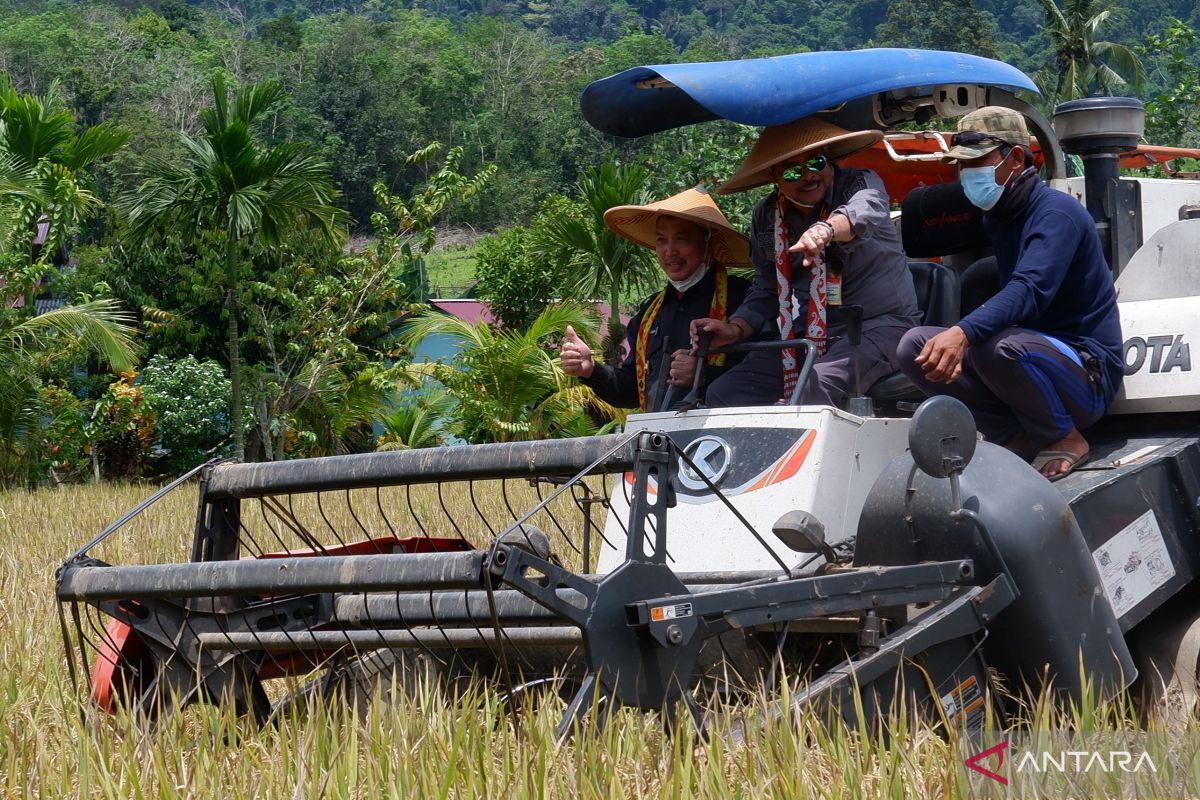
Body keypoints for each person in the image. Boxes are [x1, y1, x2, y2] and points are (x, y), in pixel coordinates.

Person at [896, 106, 1124, 481]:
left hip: (1086, 373)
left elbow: (1030, 290)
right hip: (1026, 358)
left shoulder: (1056, 213)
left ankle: (1064, 437)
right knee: (914, 348)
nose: (966, 175)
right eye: (961, 167)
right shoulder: (998, 217)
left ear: (1015, 158)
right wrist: (958, 337)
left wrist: (963, 332)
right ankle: (1016, 437)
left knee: (992, 345)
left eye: (976, 163)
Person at [690, 117, 920, 407]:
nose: (808, 176)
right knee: (726, 392)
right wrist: (735, 328)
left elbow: (864, 210)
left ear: (828, 159)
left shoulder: (860, 182)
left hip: (880, 327)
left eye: (815, 163)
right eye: (792, 171)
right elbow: (766, 289)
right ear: (773, 176)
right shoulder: (767, 216)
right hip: (807, 335)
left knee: (814, 385)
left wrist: (826, 230)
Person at [559, 186, 752, 412]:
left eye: (681, 239)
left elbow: (766, 378)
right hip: (657, 439)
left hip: (723, 437)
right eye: (661, 240)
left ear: (709, 242)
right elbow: (633, 392)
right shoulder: (650, 312)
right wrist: (590, 369)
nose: (669, 252)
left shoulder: (745, 300)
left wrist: (703, 375)